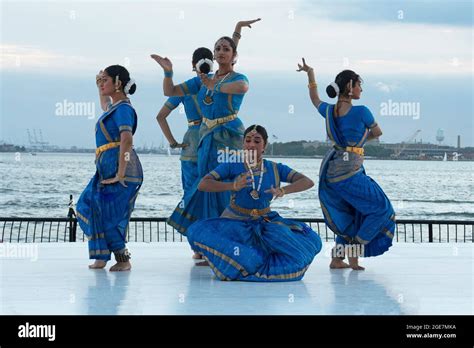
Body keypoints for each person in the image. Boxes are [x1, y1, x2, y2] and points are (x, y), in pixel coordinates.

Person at [151, 19, 260, 245]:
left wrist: (214, 86)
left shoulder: (237, 78)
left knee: (229, 185)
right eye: (217, 49)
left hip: (229, 137)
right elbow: (170, 91)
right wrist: (168, 72)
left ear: (234, 56)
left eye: (226, 49)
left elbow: (242, 88)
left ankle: (232, 239)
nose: (221, 52)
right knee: (205, 186)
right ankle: (206, 240)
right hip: (205, 138)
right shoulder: (201, 81)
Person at [186, 125, 322, 281]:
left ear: (264, 146)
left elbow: (307, 181)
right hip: (235, 221)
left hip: (265, 221)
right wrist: (232, 186)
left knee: (307, 244)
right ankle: (242, 264)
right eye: (248, 140)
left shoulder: (275, 168)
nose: (251, 144)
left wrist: (284, 190)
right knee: (197, 231)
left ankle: (252, 264)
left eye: (257, 141)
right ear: (243, 144)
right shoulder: (232, 164)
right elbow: (203, 184)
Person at [297, 59, 396, 270]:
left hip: (333, 171)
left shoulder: (328, 111)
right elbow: (377, 133)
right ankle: (354, 250)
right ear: (350, 87)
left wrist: (310, 73)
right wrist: (358, 142)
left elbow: (315, 99)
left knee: (350, 213)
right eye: (359, 84)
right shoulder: (362, 112)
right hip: (350, 172)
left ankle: (337, 258)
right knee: (382, 209)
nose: (361, 89)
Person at [76, 65, 143, 272]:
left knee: (108, 215)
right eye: (100, 80)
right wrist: (99, 88)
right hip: (107, 168)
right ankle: (102, 255)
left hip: (121, 169)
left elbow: (127, 139)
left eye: (105, 80)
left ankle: (122, 259)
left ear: (118, 83)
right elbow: (105, 105)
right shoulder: (116, 107)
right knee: (89, 207)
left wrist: (120, 172)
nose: (101, 83)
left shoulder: (124, 109)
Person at [156, 47, 213, 203]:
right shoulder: (220, 83)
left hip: (192, 144)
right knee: (216, 194)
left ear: (193, 65)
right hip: (216, 139)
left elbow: (161, 117)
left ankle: (191, 226)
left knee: (190, 195)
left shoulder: (185, 89)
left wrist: (173, 143)